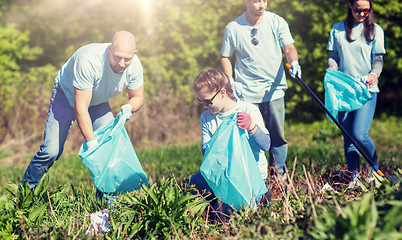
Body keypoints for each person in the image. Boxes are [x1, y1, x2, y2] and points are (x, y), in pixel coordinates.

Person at [21, 30, 145, 193]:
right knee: (51, 151)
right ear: (109, 49)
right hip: (65, 96)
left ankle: (106, 204)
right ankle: (24, 193)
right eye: (117, 57)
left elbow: (137, 97)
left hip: (97, 102)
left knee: (107, 149)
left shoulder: (134, 66)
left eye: (127, 59)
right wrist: (92, 142)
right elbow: (81, 108)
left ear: (134, 54)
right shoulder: (89, 59)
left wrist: (129, 107)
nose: (121, 63)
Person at [220, 0, 301, 177]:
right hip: (246, 92)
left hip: (274, 90)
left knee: (277, 136)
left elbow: (289, 47)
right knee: (249, 135)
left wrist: (294, 61)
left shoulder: (276, 21)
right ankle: (253, 175)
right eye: (257, 1)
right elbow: (225, 56)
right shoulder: (233, 27)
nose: (261, 5)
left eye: (264, 0)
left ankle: (279, 176)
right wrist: (230, 80)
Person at [189, 69, 271, 218]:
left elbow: (265, 145)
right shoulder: (206, 117)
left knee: (220, 216)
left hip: (249, 176)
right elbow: (206, 153)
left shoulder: (248, 110)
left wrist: (252, 127)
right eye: (201, 101)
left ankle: (258, 196)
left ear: (222, 93)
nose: (205, 106)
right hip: (222, 176)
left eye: (208, 101)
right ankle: (222, 201)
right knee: (194, 182)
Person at [326, 0, 385, 178]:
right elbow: (333, 56)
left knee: (359, 134)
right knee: (348, 136)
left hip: (366, 89)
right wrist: (332, 68)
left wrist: (374, 74)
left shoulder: (376, 30)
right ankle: (353, 174)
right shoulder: (337, 29)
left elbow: (378, 60)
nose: (361, 14)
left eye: (366, 11)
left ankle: (375, 169)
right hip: (344, 90)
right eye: (358, 10)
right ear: (350, 7)